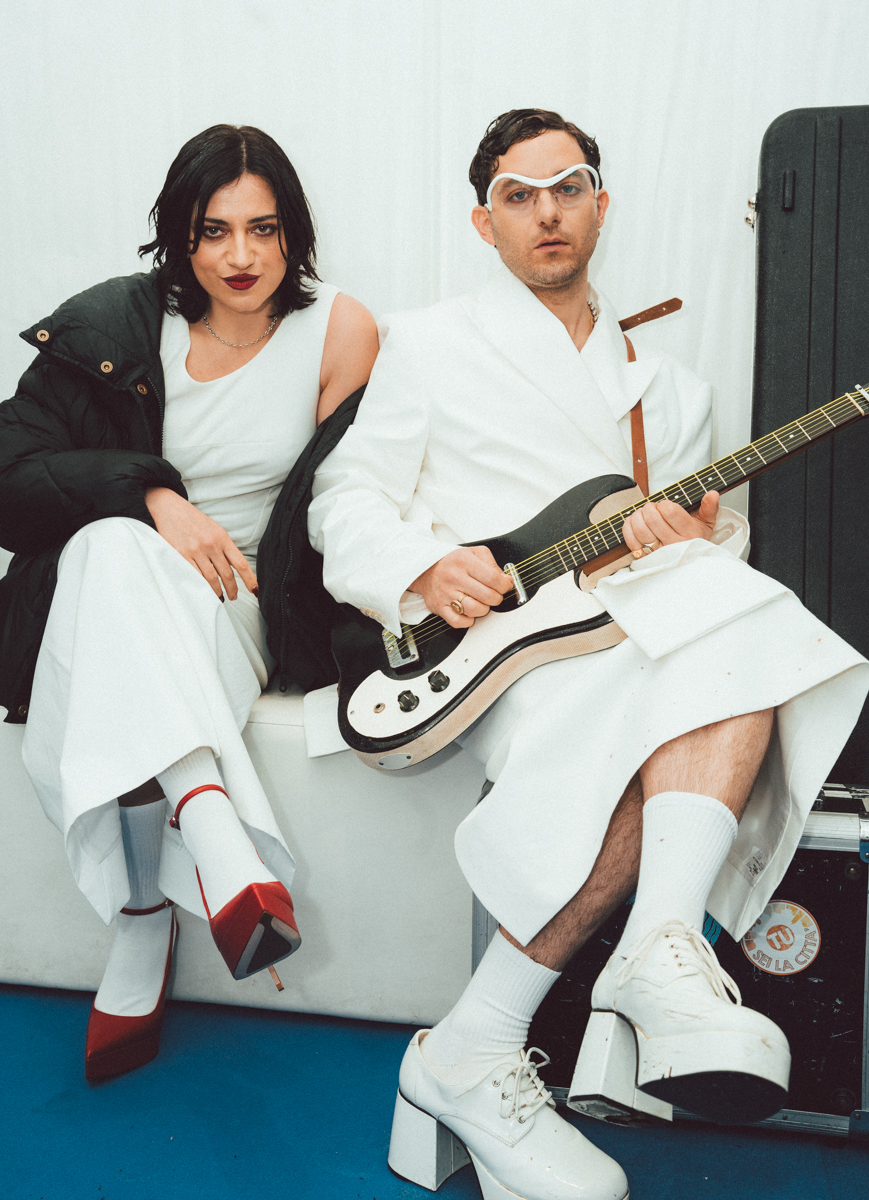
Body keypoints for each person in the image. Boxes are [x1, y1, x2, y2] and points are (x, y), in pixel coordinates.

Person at [306, 109, 869, 1200]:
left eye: (567, 186)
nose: (546, 211)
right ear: (484, 223)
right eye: (517, 196)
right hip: (496, 654)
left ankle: (546, 1007)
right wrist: (425, 569)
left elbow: (711, 553)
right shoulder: (428, 342)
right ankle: (647, 960)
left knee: (727, 620)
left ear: (600, 204)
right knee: (723, 644)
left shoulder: (671, 390)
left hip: (633, 632)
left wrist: (690, 537)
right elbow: (347, 501)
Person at [0, 124, 378, 1081]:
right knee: (112, 545)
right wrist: (153, 497)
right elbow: (9, 477)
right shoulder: (114, 328)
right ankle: (214, 839)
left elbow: (353, 494)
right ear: (179, 235)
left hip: (244, 605)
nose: (240, 256)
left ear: (293, 233)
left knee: (113, 567)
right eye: (214, 231)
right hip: (107, 591)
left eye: (263, 229)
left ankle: (144, 917)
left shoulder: (338, 330)